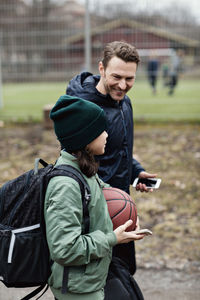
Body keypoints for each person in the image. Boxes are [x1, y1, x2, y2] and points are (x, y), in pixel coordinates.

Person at [66, 41, 157, 297]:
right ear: (101, 69)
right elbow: (73, 162)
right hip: (93, 214)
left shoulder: (124, 102)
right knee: (96, 282)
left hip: (119, 205)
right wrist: (101, 203)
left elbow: (119, 148)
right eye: (116, 76)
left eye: (130, 79)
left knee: (123, 271)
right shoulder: (83, 109)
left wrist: (135, 171)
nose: (123, 85)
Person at [45, 94, 146, 300]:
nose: (107, 135)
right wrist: (112, 238)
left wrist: (129, 218)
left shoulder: (84, 170)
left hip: (89, 280)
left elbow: (106, 196)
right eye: (101, 130)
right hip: (77, 290)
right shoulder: (65, 185)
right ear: (85, 138)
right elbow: (64, 249)